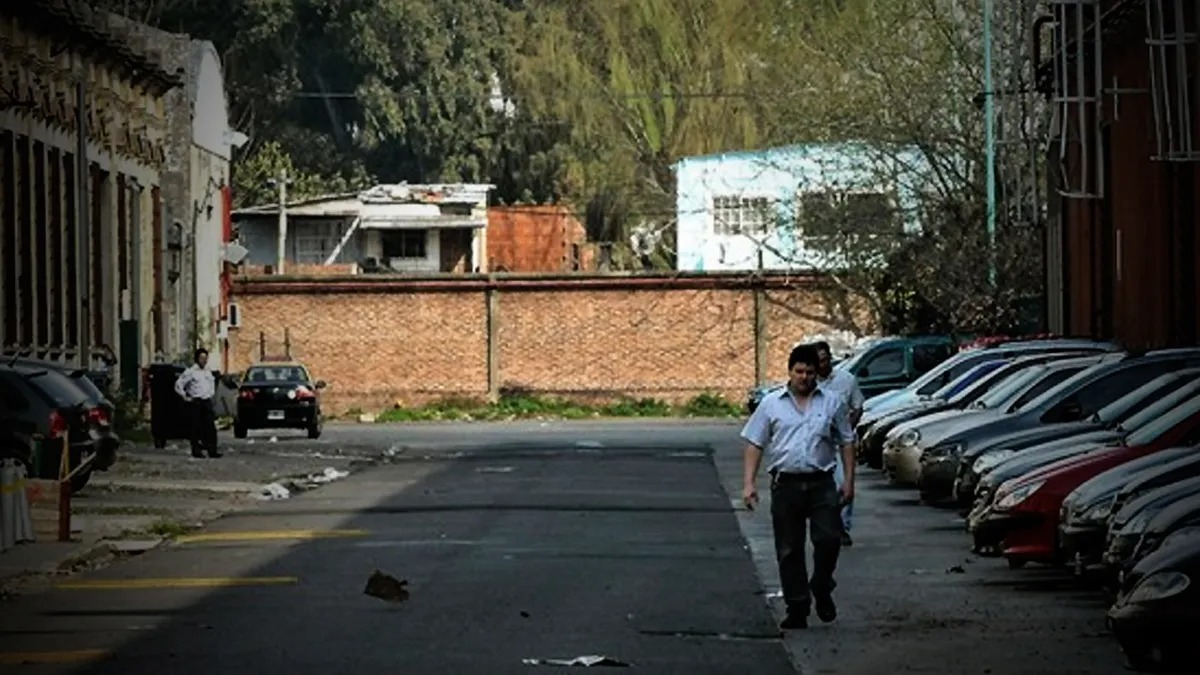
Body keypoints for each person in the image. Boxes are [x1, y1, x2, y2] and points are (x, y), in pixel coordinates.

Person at [741, 344, 856, 630]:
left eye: (810, 372)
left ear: (817, 374)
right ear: (789, 372)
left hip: (822, 483)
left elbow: (847, 441)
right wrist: (749, 483)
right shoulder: (771, 404)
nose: (804, 377)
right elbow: (755, 442)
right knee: (789, 548)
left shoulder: (832, 402)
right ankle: (797, 606)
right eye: (799, 371)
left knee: (829, 539)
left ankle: (821, 584)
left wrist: (849, 482)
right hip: (786, 484)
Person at [812, 340, 865, 546]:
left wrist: (848, 427)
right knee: (823, 486)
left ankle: (843, 526)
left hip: (843, 443)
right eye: (818, 362)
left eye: (825, 360)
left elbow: (858, 406)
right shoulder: (811, 383)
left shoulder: (846, 380)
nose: (822, 366)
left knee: (845, 482)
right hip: (820, 442)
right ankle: (826, 524)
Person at [175, 348, 221, 459]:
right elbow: (178, 384)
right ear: (197, 359)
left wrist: (211, 395)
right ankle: (196, 451)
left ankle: (212, 450)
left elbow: (211, 384)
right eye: (201, 358)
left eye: (205, 358)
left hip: (207, 401)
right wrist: (185, 397)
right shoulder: (191, 372)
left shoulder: (208, 371)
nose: (204, 361)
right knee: (196, 428)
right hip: (196, 402)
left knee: (210, 427)